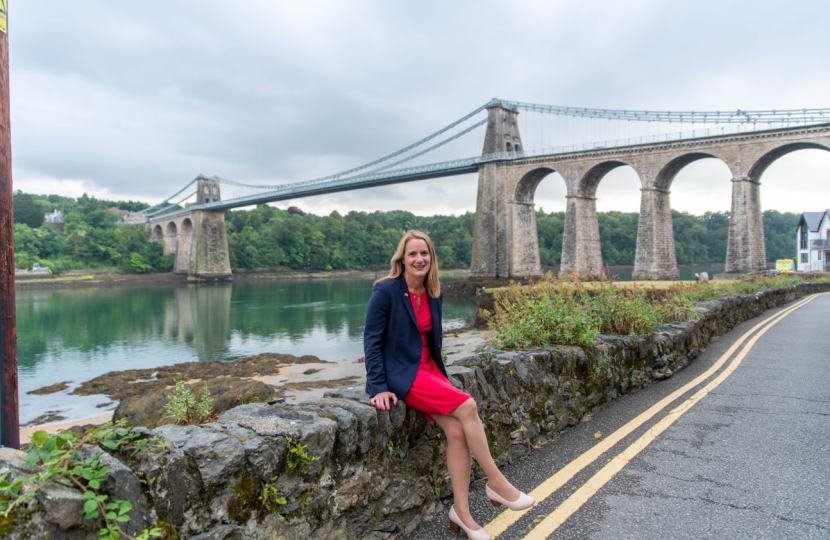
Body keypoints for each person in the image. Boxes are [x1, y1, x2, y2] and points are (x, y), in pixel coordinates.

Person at [363, 230, 534, 540]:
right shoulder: (385, 291)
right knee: (468, 405)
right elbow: (372, 341)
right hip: (406, 375)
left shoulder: (434, 292)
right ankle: (497, 483)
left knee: (457, 432)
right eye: (412, 254)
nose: (419, 259)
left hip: (431, 371)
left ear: (431, 258)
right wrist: (378, 387)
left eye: (424, 253)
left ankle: (462, 514)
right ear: (402, 258)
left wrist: (439, 374)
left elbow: (431, 340)